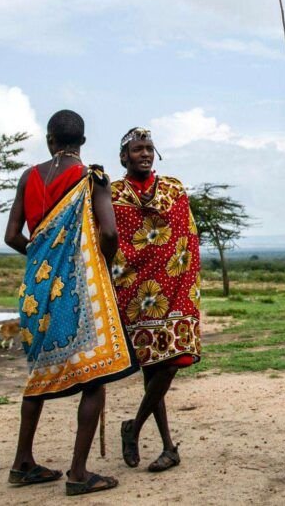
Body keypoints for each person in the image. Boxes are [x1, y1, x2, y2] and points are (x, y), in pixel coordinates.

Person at [3, 109, 137, 496]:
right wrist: (101, 263)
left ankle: (22, 463)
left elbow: (12, 235)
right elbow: (109, 232)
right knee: (95, 375)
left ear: (49, 140)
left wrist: (43, 255)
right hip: (77, 287)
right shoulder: (90, 177)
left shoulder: (28, 177)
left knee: (38, 375)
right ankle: (78, 473)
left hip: (35, 291)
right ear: (82, 141)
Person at [111, 127, 202, 473]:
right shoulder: (112, 193)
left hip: (175, 293)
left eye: (149, 148)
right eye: (137, 149)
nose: (145, 154)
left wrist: (188, 286)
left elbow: (187, 238)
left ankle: (133, 428)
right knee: (154, 370)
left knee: (168, 362)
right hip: (135, 293)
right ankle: (167, 447)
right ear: (124, 157)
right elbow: (111, 240)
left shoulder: (174, 189)